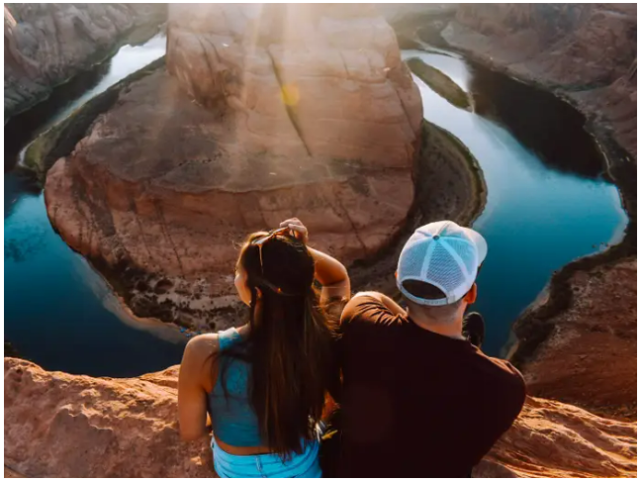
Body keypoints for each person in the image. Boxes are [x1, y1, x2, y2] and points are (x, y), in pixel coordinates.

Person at [336, 220, 526, 477]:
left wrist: (406, 322)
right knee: (471, 336)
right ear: (471, 294)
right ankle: (468, 342)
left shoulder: (362, 324)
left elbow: (366, 298)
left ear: (398, 280)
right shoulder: (505, 386)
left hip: (352, 469)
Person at [178, 218, 350, 477]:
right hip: (302, 466)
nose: (235, 277)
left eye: (238, 272)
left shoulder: (204, 353)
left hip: (236, 471)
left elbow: (191, 432)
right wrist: (299, 251)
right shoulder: (320, 334)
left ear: (254, 289)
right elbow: (337, 279)